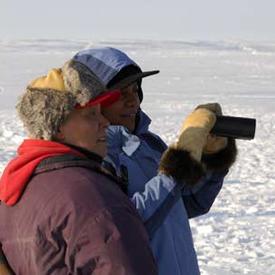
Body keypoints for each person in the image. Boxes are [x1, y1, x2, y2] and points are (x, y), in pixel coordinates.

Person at [72, 47, 238, 275]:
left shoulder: (148, 144)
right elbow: (125, 228)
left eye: (135, 90)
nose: (133, 101)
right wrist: (178, 166)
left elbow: (187, 203)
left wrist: (211, 157)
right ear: (92, 101)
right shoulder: (91, 159)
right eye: (121, 93)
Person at [0, 60, 158, 274]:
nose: (104, 122)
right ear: (57, 127)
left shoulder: (16, 188)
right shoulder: (90, 195)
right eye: (91, 114)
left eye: (101, 111)